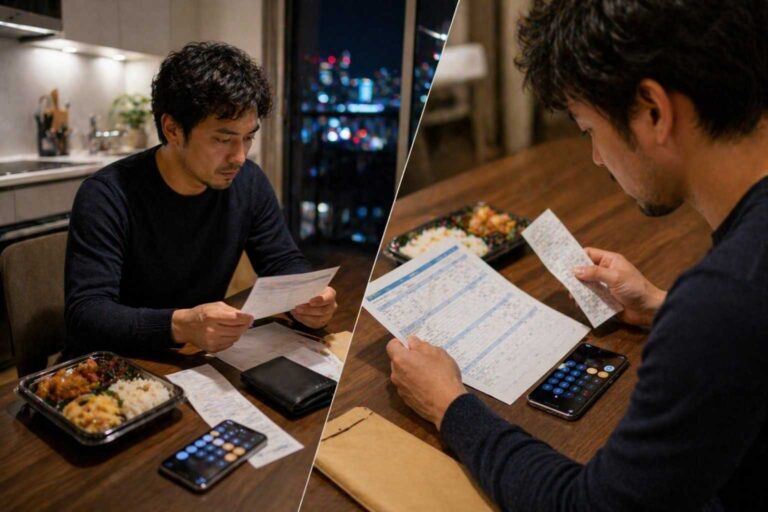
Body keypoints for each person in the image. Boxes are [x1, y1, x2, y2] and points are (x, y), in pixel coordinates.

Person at [386, 1, 768, 510]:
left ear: (653, 110)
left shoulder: (724, 300)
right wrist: (660, 306)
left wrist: (450, 404)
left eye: (588, 129)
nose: (594, 157)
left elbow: (588, 506)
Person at [65, 42, 337, 357]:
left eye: (248, 137)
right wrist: (182, 325)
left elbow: (281, 260)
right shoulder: (107, 195)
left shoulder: (248, 182)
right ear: (173, 129)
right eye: (223, 139)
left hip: (194, 358)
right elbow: (86, 313)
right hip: (115, 364)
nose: (239, 157)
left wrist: (305, 298)